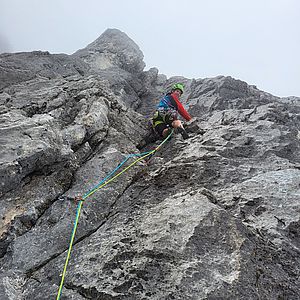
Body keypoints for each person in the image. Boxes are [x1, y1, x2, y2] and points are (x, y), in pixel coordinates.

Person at [137, 83, 192, 150]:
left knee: (163, 129)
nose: (178, 93)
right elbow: (182, 111)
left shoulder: (165, 98)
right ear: (173, 91)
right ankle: (181, 130)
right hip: (168, 113)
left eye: (180, 93)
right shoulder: (174, 97)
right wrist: (190, 119)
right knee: (176, 121)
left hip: (157, 116)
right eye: (177, 91)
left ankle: (167, 132)